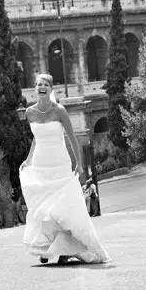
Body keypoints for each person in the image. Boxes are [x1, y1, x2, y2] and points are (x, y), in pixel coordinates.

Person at [19, 74, 109, 265]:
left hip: (59, 163)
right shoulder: (30, 112)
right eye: (39, 84)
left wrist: (79, 163)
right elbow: (36, 138)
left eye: (46, 84)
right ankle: (47, 246)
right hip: (40, 164)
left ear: (51, 89)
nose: (42, 87)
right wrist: (28, 160)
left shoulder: (59, 111)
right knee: (43, 207)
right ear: (35, 89)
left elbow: (72, 138)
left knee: (61, 209)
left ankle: (66, 250)